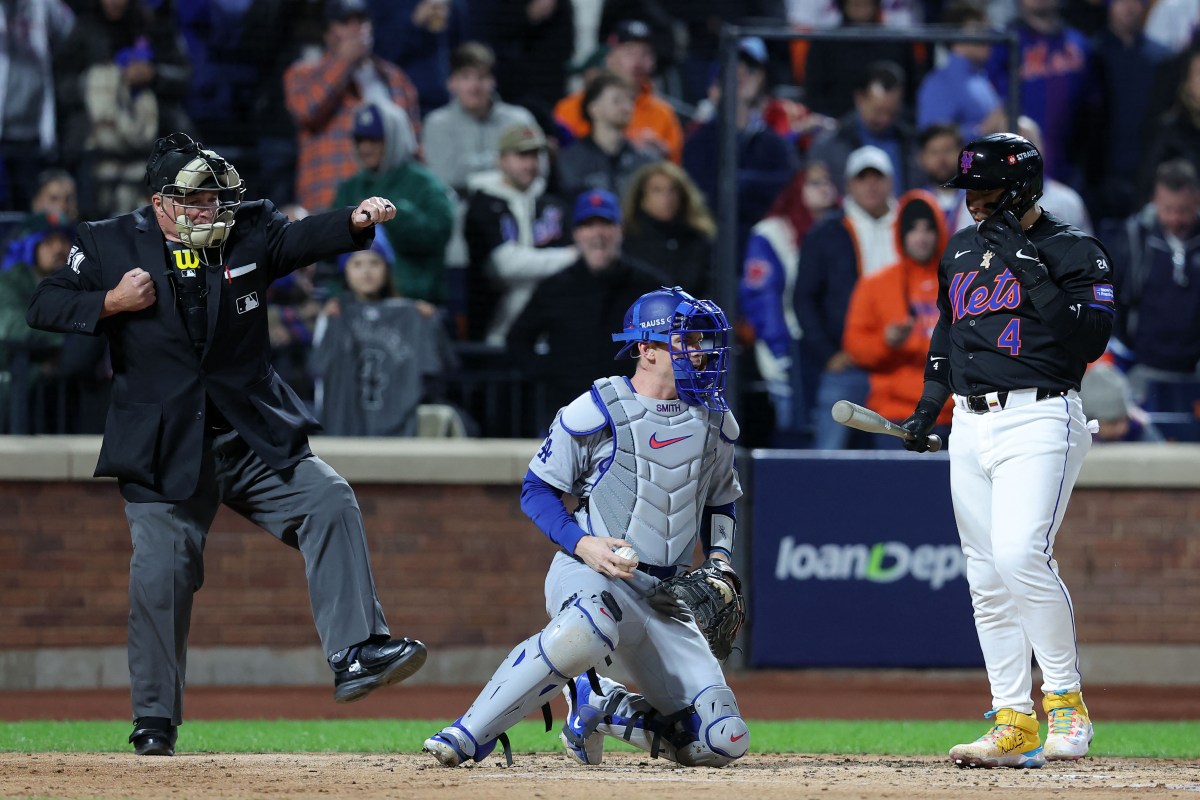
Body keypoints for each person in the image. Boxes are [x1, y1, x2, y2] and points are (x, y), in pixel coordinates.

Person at [25, 133, 428, 756]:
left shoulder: (249, 228)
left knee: (328, 500)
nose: (210, 210)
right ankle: (154, 719)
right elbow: (44, 303)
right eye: (195, 199)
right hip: (163, 446)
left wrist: (352, 221)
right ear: (160, 203)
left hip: (247, 435)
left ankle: (358, 651)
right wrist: (110, 302)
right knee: (160, 574)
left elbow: (297, 239)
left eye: (216, 197)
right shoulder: (107, 241)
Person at [423, 285, 749, 769]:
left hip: (666, 594)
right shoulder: (599, 406)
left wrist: (719, 558)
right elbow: (536, 490)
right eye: (687, 340)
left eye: (703, 341)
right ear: (647, 347)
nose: (701, 352)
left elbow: (723, 500)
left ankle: (601, 705)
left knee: (722, 740)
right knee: (586, 631)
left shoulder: (716, 419)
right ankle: (469, 734)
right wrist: (584, 543)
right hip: (594, 573)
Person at [899, 132, 1115, 768]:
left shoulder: (1074, 248)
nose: (973, 203)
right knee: (987, 577)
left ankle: (1067, 705)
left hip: (1042, 415)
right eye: (968, 190)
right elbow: (949, 330)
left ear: (1021, 187)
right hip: (970, 423)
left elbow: (1088, 342)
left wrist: (1025, 264)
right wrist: (926, 407)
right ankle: (1013, 716)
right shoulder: (962, 249)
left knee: (1022, 553)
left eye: (985, 189)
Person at [506, 188, 666, 422]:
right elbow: (517, 340)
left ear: (620, 230)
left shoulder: (649, 287)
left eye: (606, 224)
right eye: (588, 225)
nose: (597, 234)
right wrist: (551, 372)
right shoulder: (555, 287)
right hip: (570, 412)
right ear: (576, 234)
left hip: (638, 414)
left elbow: (677, 341)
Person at [310, 233, 456, 436]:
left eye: (374, 263)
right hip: (346, 427)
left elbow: (438, 369)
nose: (366, 272)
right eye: (357, 264)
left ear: (387, 268)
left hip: (397, 432)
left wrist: (427, 321)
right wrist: (327, 319)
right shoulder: (334, 314)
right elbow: (318, 373)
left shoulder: (414, 316)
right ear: (345, 271)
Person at [283, 0, 420, 212]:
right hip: (329, 198)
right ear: (329, 34)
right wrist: (344, 62)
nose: (357, 27)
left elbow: (412, 144)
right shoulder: (303, 73)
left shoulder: (395, 79)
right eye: (346, 21)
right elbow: (306, 110)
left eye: (362, 19)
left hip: (389, 202)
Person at [843, 190, 954, 446]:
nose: (922, 238)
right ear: (900, 234)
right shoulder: (875, 284)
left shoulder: (959, 281)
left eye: (928, 229)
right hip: (894, 415)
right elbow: (854, 347)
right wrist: (887, 342)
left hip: (953, 414)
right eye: (913, 229)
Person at [332, 102, 454, 305]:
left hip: (415, 303)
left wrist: (396, 215)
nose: (365, 148)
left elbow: (438, 236)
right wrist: (334, 296)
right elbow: (331, 251)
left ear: (395, 139)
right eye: (360, 140)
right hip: (356, 306)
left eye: (375, 140)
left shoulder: (424, 184)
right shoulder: (350, 188)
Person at [462, 123, 575, 344]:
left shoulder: (552, 204)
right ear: (501, 160)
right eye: (522, 156)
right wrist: (572, 255)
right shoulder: (482, 204)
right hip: (494, 327)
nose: (531, 164)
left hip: (547, 328)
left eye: (535, 156)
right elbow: (505, 265)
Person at [1105, 158, 1200, 399]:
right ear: (1154, 202)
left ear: (1197, 201)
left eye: (1184, 210)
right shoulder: (1134, 238)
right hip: (1141, 369)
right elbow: (1113, 297)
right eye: (1168, 210)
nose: (1176, 218)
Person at [554, 19, 683, 163]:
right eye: (629, 52)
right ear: (610, 57)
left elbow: (674, 174)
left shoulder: (664, 114)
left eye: (645, 53)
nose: (637, 62)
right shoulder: (573, 106)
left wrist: (662, 155)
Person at [555, 70, 660, 202]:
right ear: (593, 108)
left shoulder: (645, 160)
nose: (626, 107)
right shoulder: (570, 159)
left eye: (630, 100)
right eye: (617, 101)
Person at [619, 161, 715, 296]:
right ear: (641, 198)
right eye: (657, 190)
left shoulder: (699, 238)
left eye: (673, 190)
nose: (666, 198)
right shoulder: (626, 240)